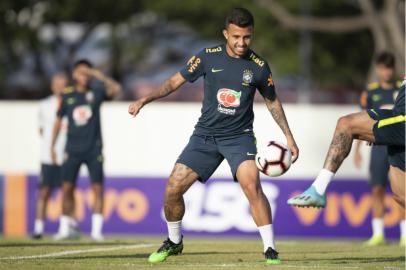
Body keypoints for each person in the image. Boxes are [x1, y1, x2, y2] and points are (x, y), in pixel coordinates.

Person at [128, 8, 299, 265]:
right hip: (205, 136)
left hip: (239, 137)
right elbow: (175, 81)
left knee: (252, 186)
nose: (241, 43)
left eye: (247, 37)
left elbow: (273, 102)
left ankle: (270, 249)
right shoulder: (207, 57)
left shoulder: (259, 67)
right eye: (236, 37)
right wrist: (146, 98)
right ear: (225, 34)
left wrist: (289, 137)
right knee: (172, 189)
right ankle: (174, 242)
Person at [287, 80, 405, 210]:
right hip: (398, 118)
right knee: (401, 196)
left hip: (402, 119)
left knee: (346, 124)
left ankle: (318, 189)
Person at [52, 59, 121, 241]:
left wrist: (98, 74)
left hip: (93, 149)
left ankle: (96, 231)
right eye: (81, 72)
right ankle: (65, 228)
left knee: (97, 188)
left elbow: (116, 90)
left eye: (87, 72)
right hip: (72, 149)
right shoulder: (67, 96)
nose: (84, 76)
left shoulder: (96, 93)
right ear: (74, 74)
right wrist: (52, 145)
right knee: (67, 188)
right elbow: (58, 122)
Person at [353, 52, 405, 246]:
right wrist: (357, 150)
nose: (386, 72)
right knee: (377, 189)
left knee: (400, 192)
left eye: (389, 68)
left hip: (399, 146)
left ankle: (404, 235)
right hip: (378, 148)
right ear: (377, 69)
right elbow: (362, 121)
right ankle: (378, 233)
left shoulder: (402, 89)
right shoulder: (371, 92)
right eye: (383, 68)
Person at [32, 73, 68, 239]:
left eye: (63, 83)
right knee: (44, 191)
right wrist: (51, 147)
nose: (60, 86)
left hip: (67, 155)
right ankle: (38, 229)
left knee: (66, 192)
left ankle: (64, 228)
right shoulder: (44, 104)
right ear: (52, 86)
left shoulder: (73, 103)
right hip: (48, 156)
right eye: (57, 83)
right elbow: (41, 130)